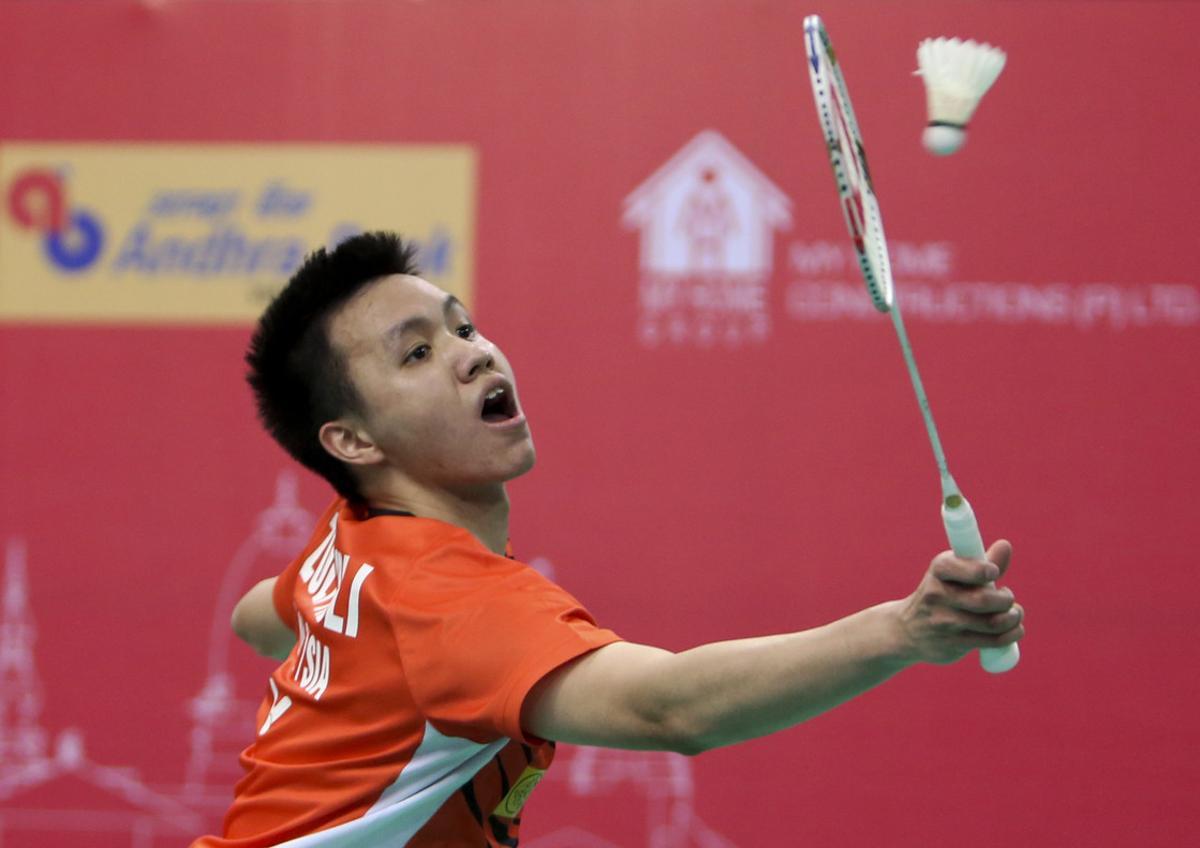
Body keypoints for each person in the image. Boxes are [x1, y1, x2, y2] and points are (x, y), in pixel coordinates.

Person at [191, 231, 1023, 847]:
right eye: (416, 354)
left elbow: (257, 613)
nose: (472, 356)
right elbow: (672, 708)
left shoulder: (355, 541)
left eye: (462, 326)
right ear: (353, 443)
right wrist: (904, 631)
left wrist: (332, 638)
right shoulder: (447, 600)